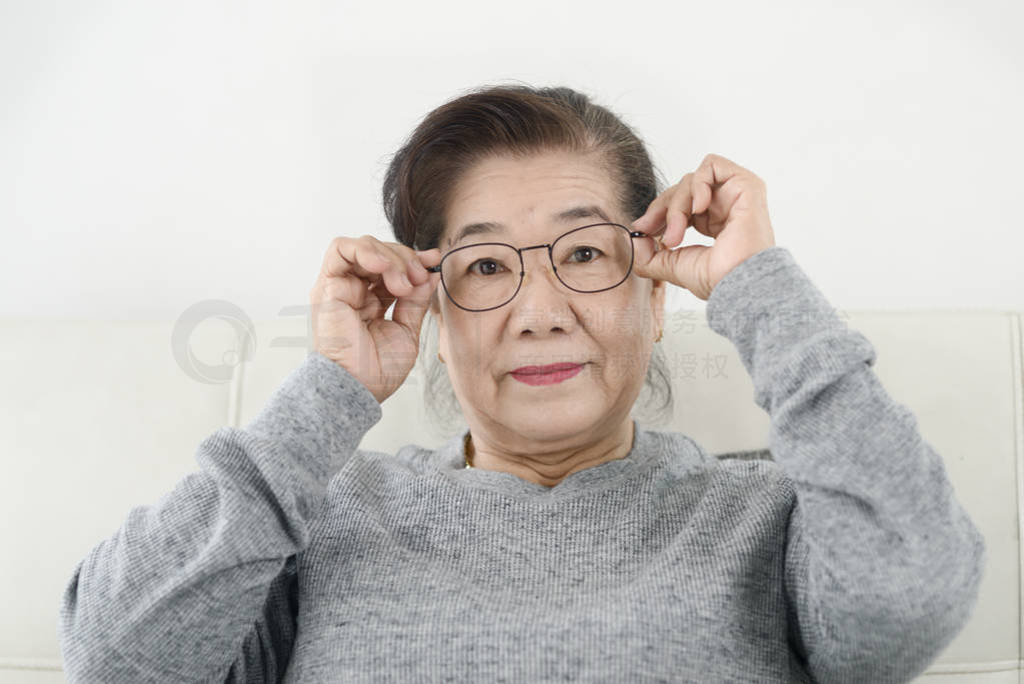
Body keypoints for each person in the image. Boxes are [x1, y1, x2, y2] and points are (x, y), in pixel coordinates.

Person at [57, 84, 985, 682]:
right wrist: (330, 390)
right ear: (434, 312)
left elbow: (912, 597)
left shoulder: (770, 516)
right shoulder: (318, 522)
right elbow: (116, 658)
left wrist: (759, 286)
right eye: (488, 268)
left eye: (585, 252)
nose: (539, 309)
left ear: (657, 296)